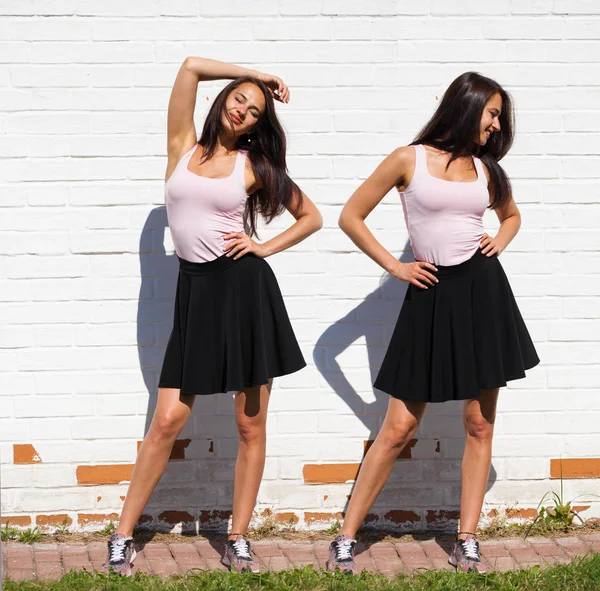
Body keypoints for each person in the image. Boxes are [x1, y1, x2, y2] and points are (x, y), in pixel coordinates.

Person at [105, 56, 322, 576]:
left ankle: (238, 537)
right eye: (239, 99)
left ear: (257, 126)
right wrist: (258, 75)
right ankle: (122, 535)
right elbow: (187, 68)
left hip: (243, 291)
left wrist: (263, 247)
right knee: (166, 421)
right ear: (224, 99)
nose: (243, 111)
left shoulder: (254, 165)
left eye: (254, 111)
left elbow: (312, 216)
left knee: (250, 424)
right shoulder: (183, 147)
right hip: (194, 293)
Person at [326, 72, 539, 575]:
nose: (495, 124)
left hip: (483, 294)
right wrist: (396, 266)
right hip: (431, 295)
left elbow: (511, 217)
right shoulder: (409, 158)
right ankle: (346, 536)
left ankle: (467, 539)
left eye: (498, 117)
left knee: (479, 422)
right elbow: (351, 215)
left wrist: (498, 243)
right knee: (399, 426)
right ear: (465, 106)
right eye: (491, 113)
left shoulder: (487, 170)